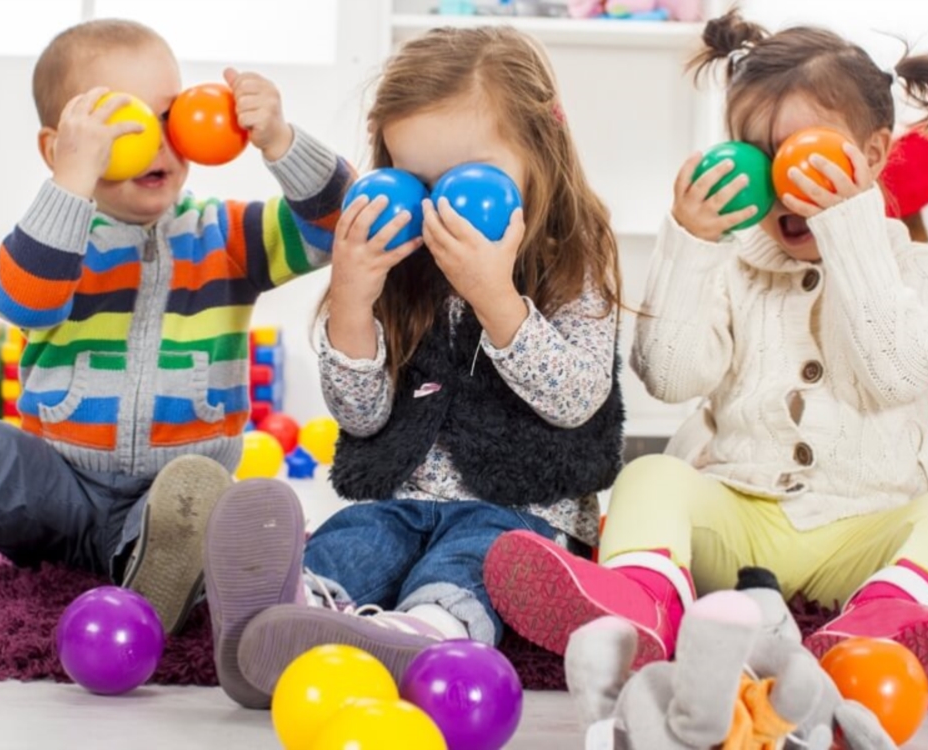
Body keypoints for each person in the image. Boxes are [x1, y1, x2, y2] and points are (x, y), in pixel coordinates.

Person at [484, 9, 928, 710]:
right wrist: (691, 244)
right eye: (758, 153)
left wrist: (850, 230)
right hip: (740, 516)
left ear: (873, 155)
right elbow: (670, 374)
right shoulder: (731, 261)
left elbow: (892, 374)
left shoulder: (910, 268)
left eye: (809, 153)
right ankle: (645, 601)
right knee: (652, 473)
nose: (784, 181)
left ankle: (885, 623)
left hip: (867, 528)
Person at [202, 25, 625, 709]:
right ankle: (285, 615)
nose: (435, 208)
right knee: (355, 538)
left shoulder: (575, 260)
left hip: (519, 508)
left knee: (477, 560)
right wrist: (351, 301)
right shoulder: (400, 264)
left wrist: (497, 299)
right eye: (414, 181)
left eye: (467, 181)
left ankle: (424, 632)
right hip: (401, 500)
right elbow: (362, 417)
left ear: (540, 149)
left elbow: (577, 400)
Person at [0, 19, 350, 637]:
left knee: (198, 495)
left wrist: (282, 141)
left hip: (163, 500)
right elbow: (21, 303)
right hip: (58, 491)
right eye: (125, 126)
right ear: (59, 148)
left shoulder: (224, 237)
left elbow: (333, 227)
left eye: (169, 115)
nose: (157, 142)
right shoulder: (58, 241)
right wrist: (69, 184)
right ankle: (139, 562)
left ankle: (155, 574)